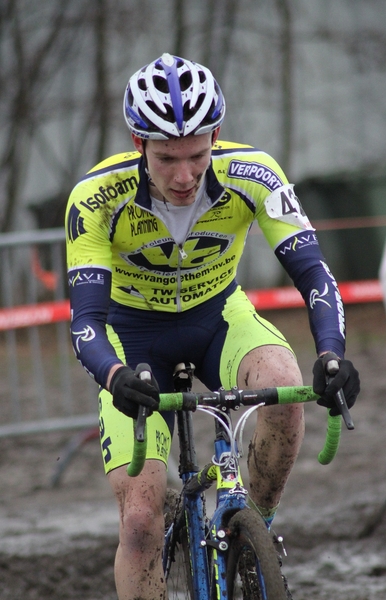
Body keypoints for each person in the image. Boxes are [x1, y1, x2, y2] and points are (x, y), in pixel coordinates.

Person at [65, 53, 360, 600]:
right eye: (166, 158)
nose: (183, 175)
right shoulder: (95, 198)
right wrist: (113, 376)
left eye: (197, 155)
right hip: (132, 339)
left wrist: (332, 354)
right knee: (140, 522)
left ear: (216, 136)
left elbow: (315, 273)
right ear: (139, 145)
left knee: (284, 385)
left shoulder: (255, 173)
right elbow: (85, 320)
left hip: (218, 317)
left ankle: (256, 533)